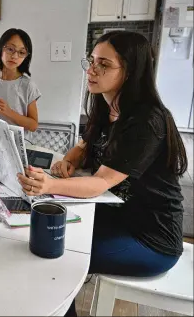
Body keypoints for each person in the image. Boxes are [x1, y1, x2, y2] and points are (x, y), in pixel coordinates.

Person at [16, 31, 187, 316]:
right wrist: (71, 157)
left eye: (104, 65)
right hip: (112, 215)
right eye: (91, 61)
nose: (92, 70)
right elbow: (87, 143)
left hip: (149, 237)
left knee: (56, 256)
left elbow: (102, 182)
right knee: (44, 237)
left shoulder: (146, 120)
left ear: (131, 72)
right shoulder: (107, 104)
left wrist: (47, 185)